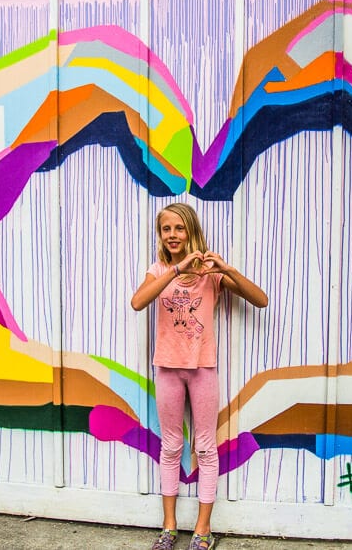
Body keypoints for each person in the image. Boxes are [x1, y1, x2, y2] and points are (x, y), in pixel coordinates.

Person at [131, 202, 268, 550]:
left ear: (191, 230)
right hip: (167, 370)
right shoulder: (159, 269)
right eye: (166, 229)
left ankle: (202, 529)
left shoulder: (211, 274)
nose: (173, 235)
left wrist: (225, 269)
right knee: (171, 446)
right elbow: (137, 302)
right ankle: (168, 527)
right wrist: (176, 270)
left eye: (179, 228)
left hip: (203, 370)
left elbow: (260, 300)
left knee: (205, 448)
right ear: (160, 235)